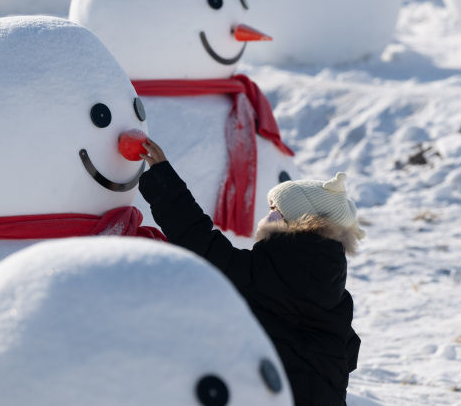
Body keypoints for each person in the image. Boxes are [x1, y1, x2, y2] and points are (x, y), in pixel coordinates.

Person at [138, 139, 363, 405]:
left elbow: (198, 240)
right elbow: (349, 350)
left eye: (274, 210)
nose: (267, 216)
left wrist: (163, 179)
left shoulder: (262, 273)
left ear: (294, 222)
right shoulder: (336, 293)